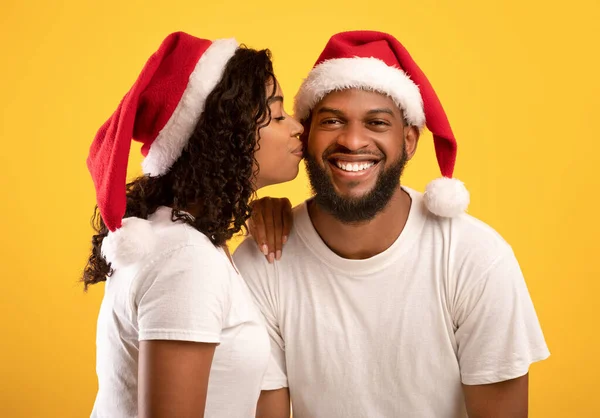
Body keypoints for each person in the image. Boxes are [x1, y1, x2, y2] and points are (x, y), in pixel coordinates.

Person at [234, 30, 550, 418]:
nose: (352, 141)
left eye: (377, 123)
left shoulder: (475, 258)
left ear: (411, 140)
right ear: (306, 134)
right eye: (332, 121)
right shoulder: (263, 261)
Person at [82, 31, 303, 418]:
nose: (297, 126)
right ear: (225, 135)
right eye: (278, 114)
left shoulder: (187, 244)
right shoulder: (186, 260)